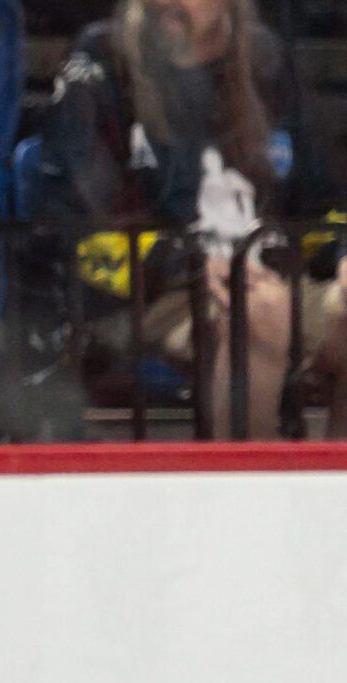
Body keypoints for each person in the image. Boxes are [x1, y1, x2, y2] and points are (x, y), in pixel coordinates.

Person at [38, 0, 347, 437]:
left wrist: (342, 251)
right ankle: (248, 490)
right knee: (261, 310)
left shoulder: (266, 59)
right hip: (145, 292)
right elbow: (78, 222)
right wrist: (188, 263)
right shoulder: (104, 55)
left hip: (266, 275)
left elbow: (317, 200)